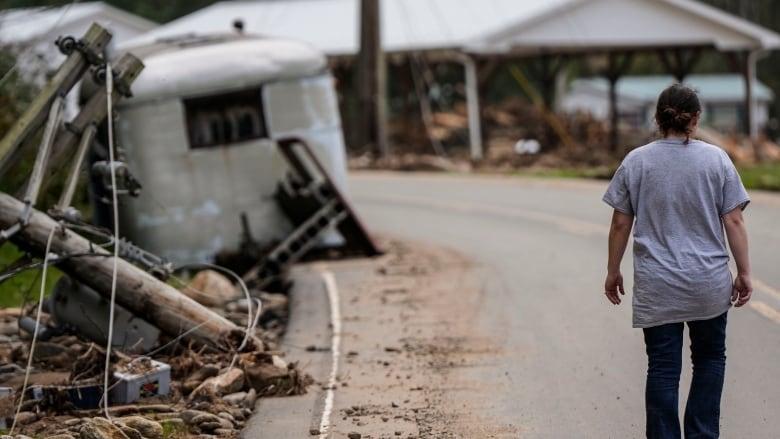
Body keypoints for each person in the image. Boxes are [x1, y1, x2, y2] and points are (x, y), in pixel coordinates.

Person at [602, 83, 752, 439]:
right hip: (708, 282)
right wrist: (744, 272)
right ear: (696, 119)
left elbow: (621, 222)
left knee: (663, 368)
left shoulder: (636, 161)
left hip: (658, 284)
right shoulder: (716, 159)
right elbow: (734, 220)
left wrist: (612, 271)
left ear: (657, 118)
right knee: (710, 359)